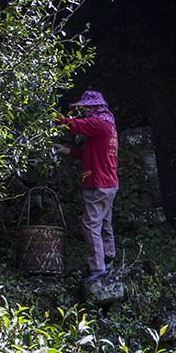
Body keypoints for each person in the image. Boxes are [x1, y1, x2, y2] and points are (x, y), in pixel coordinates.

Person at [55, 90, 119, 282]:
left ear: (94, 107)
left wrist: (51, 118)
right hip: (109, 183)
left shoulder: (98, 124)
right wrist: (67, 150)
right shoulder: (109, 127)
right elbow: (90, 155)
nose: (84, 113)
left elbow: (73, 125)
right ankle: (108, 257)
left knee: (90, 224)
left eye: (86, 109)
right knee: (104, 223)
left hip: (98, 184)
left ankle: (97, 268)